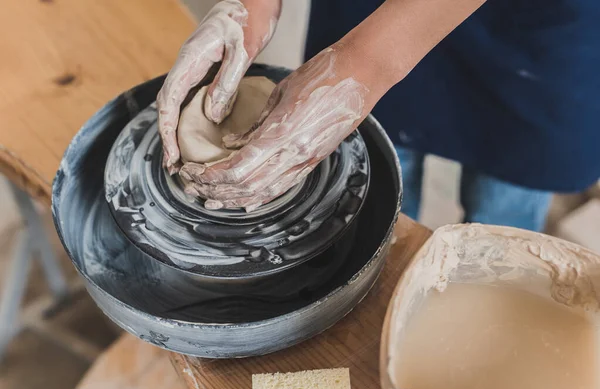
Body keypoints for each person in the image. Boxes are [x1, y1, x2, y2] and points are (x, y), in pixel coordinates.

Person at [157, 0, 600, 231]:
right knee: (374, 201)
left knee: (502, 223)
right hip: (366, 13)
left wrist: (365, 66)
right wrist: (248, 9)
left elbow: (366, 63)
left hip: (536, 38)